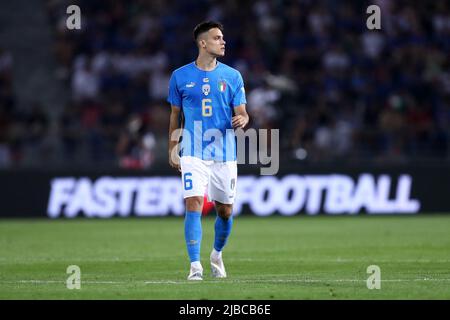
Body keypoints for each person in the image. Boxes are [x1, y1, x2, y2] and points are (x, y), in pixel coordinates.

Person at [167, 21, 249, 280]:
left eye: (223, 37)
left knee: (225, 211)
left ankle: (216, 254)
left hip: (224, 152)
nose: (223, 41)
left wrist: (243, 120)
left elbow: (243, 113)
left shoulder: (233, 76)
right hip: (192, 150)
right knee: (193, 203)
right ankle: (195, 267)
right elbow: (174, 116)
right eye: (217, 38)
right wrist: (172, 147)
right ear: (203, 43)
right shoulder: (179, 76)